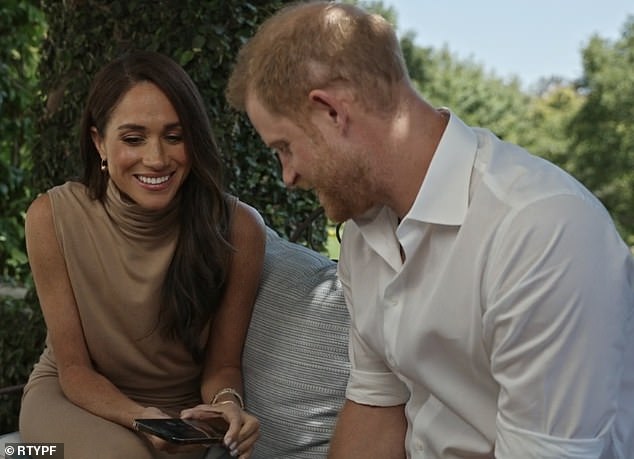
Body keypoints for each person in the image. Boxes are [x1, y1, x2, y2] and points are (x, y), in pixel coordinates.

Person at [225, 2, 634, 458]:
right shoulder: (366, 239)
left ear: (330, 113)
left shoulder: (542, 231)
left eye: (284, 147)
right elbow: (377, 406)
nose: (288, 176)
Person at [20, 50, 266, 459]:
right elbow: (74, 370)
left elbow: (222, 366)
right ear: (99, 142)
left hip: (177, 420)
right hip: (72, 400)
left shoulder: (239, 227)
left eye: (175, 136)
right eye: (133, 139)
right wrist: (140, 417)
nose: (156, 158)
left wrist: (227, 403)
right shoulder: (50, 217)